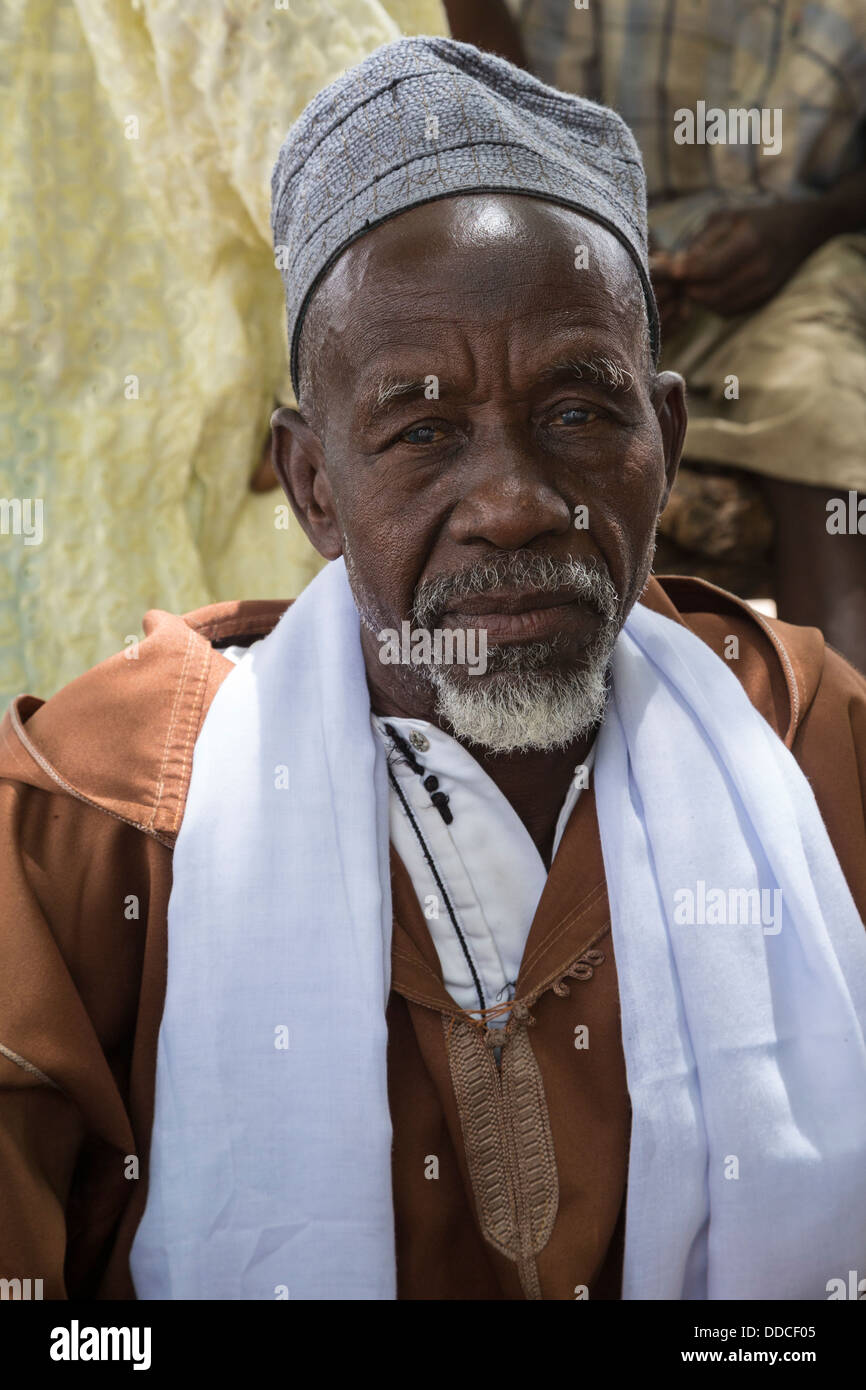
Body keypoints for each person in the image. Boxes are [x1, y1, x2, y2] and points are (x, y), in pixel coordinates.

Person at [2, 37, 866, 1303]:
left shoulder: (809, 744)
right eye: (420, 432)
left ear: (664, 440)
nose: (514, 505)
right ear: (312, 487)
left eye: (579, 413)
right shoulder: (101, 817)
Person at [516, 0, 866, 669]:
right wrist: (605, 259)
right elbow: (524, 131)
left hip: (805, 263)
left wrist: (811, 223)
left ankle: (839, 749)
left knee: (822, 408)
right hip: (594, 261)